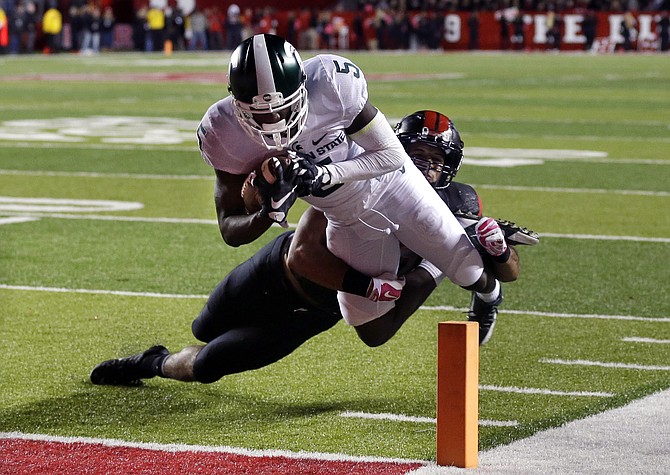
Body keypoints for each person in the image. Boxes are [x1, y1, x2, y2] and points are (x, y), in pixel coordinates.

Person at [90, 110, 527, 387]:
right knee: (204, 324)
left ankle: (153, 363)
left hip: (318, 311)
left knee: (208, 365)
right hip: (278, 270)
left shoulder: (456, 209)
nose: (425, 167)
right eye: (417, 154)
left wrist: (489, 255)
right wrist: (368, 284)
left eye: (436, 158)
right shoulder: (364, 181)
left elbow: (504, 272)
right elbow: (304, 254)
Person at [196, 34, 504, 346]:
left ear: (303, 86)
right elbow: (230, 230)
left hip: (395, 185)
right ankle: (438, 253)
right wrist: (268, 212)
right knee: (372, 329)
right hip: (346, 217)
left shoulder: (332, 83)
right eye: (260, 115)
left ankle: (489, 295)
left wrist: (324, 174)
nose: (274, 122)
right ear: (236, 102)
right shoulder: (223, 131)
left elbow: (392, 155)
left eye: (283, 109)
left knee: (467, 272)